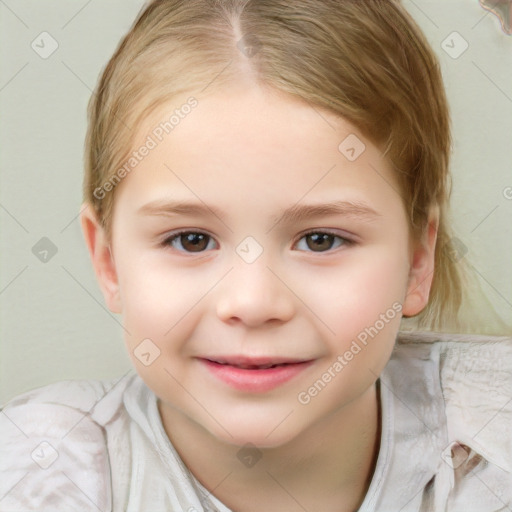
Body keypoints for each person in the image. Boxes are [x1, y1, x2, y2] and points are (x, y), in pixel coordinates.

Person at [1, 1, 511, 510]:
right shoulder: (36, 478)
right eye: (191, 240)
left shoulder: (494, 445)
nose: (252, 302)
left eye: (321, 240)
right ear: (109, 262)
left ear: (418, 260)